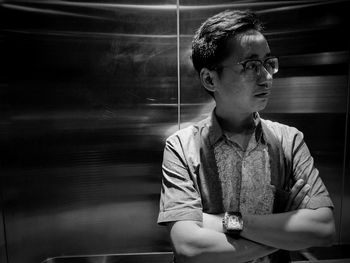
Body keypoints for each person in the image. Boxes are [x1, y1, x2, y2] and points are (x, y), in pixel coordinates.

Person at [157, 9, 335, 263]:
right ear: (209, 79)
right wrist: (284, 233)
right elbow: (190, 248)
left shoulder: (289, 140)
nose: (266, 78)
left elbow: (323, 229)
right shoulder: (181, 146)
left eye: (268, 63)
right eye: (251, 66)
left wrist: (226, 222)